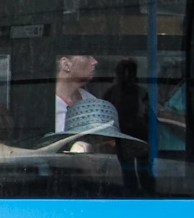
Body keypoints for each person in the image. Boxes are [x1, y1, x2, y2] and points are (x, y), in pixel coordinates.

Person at [101, 57, 154, 190]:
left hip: (138, 134)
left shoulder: (140, 92)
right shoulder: (112, 92)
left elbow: (148, 113)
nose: (126, 76)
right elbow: (105, 114)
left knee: (142, 168)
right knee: (128, 168)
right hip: (122, 135)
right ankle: (134, 192)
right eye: (123, 72)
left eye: (130, 72)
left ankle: (144, 192)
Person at [53, 48, 118, 136]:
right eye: (86, 56)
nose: (94, 62)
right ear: (66, 65)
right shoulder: (45, 106)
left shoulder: (91, 102)